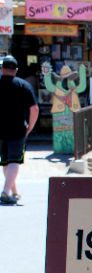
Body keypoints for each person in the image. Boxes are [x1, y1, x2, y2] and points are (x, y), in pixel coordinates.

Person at [0, 56, 39, 205]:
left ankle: (14, 191)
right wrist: (30, 126)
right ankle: (5, 192)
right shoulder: (24, 86)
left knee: (6, 161)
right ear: (15, 70)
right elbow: (34, 109)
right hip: (17, 129)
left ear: (2, 69)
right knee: (14, 160)